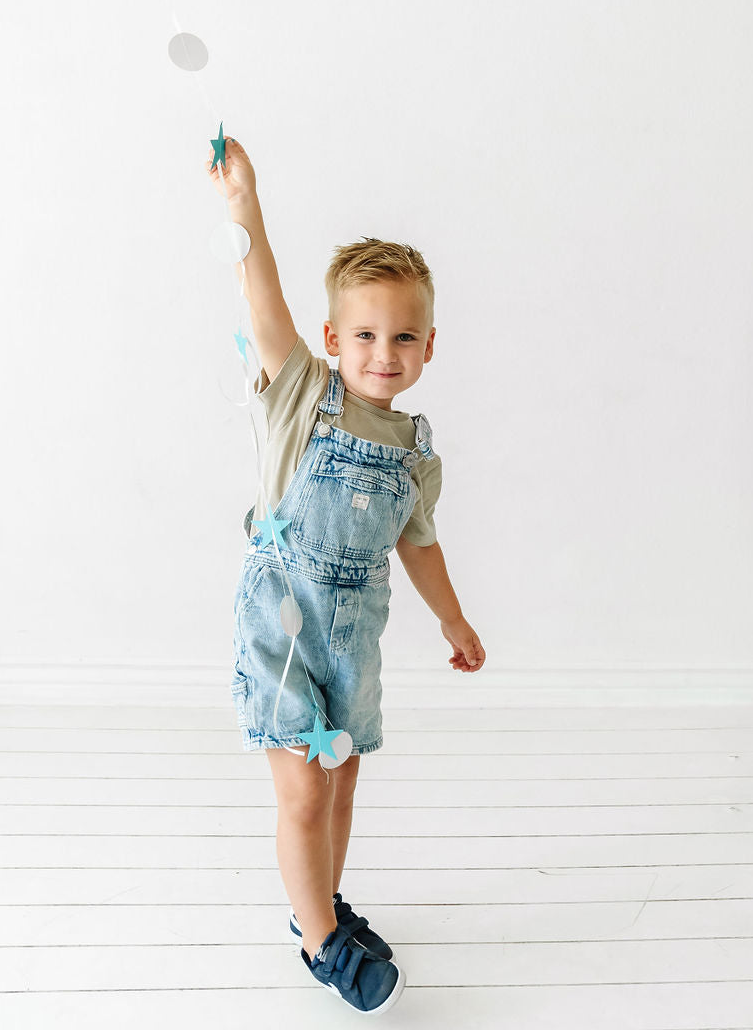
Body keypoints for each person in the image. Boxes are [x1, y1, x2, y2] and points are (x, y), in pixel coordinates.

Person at [206, 134, 485, 1015]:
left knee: (343, 774)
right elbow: (262, 299)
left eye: (403, 336)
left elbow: (419, 543)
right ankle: (320, 941)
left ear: (430, 345)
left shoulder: (416, 453)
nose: (383, 352)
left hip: (355, 631)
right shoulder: (299, 393)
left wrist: (453, 620)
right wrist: (244, 204)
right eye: (364, 334)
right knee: (298, 784)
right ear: (332, 337)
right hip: (282, 621)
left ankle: (320, 901)